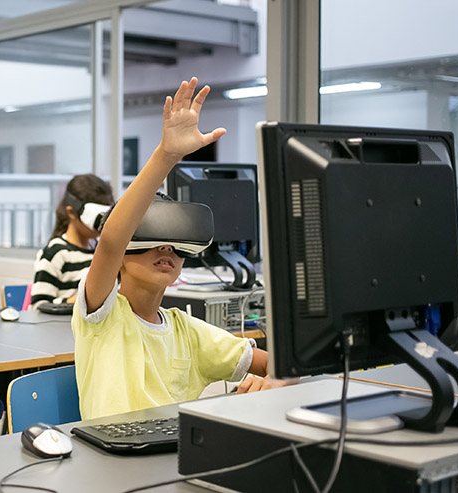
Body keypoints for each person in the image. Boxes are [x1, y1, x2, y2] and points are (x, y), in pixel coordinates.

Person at [73, 78, 289, 420]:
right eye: (151, 242)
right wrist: (167, 155)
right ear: (122, 261)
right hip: (113, 455)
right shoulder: (101, 317)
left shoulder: (186, 331)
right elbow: (112, 240)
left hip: (172, 452)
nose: (166, 250)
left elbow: (277, 365)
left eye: (176, 246)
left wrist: (277, 378)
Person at [30, 174, 113, 308]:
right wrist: (80, 300)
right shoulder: (56, 253)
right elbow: (39, 306)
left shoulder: (101, 251)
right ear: (71, 213)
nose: (102, 224)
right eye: (97, 217)